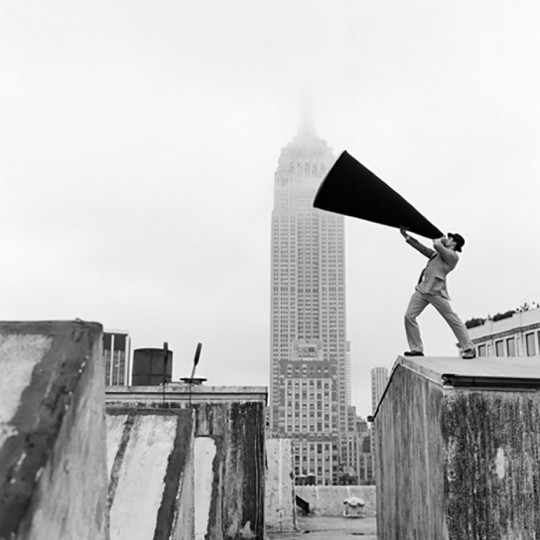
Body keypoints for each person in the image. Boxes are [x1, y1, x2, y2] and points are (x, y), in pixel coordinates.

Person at [400, 227, 476, 359]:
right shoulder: (437, 254)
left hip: (436, 292)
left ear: (454, 243)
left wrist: (439, 236)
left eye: (450, 238)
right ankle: (416, 349)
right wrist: (406, 236)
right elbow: (421, 248)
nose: (447, 239)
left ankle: (468, 347)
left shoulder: (453, 256)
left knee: (452, 318)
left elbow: (436, 244)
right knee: (409, 316)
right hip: (423, 289)